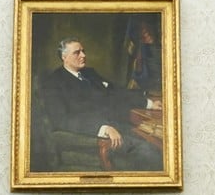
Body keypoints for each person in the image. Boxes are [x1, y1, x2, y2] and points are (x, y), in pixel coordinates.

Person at [38, 36, 164, 171]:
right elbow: (62, 119)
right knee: (151, 152)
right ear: (64, 57)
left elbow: (116, 92)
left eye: (83, 51)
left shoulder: (89, 73)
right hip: (96, 136)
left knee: (159, 142)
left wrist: (148, 103)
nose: (83, 55)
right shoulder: (54, 82)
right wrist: (103, 128)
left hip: (121, 126)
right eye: (77, 52)